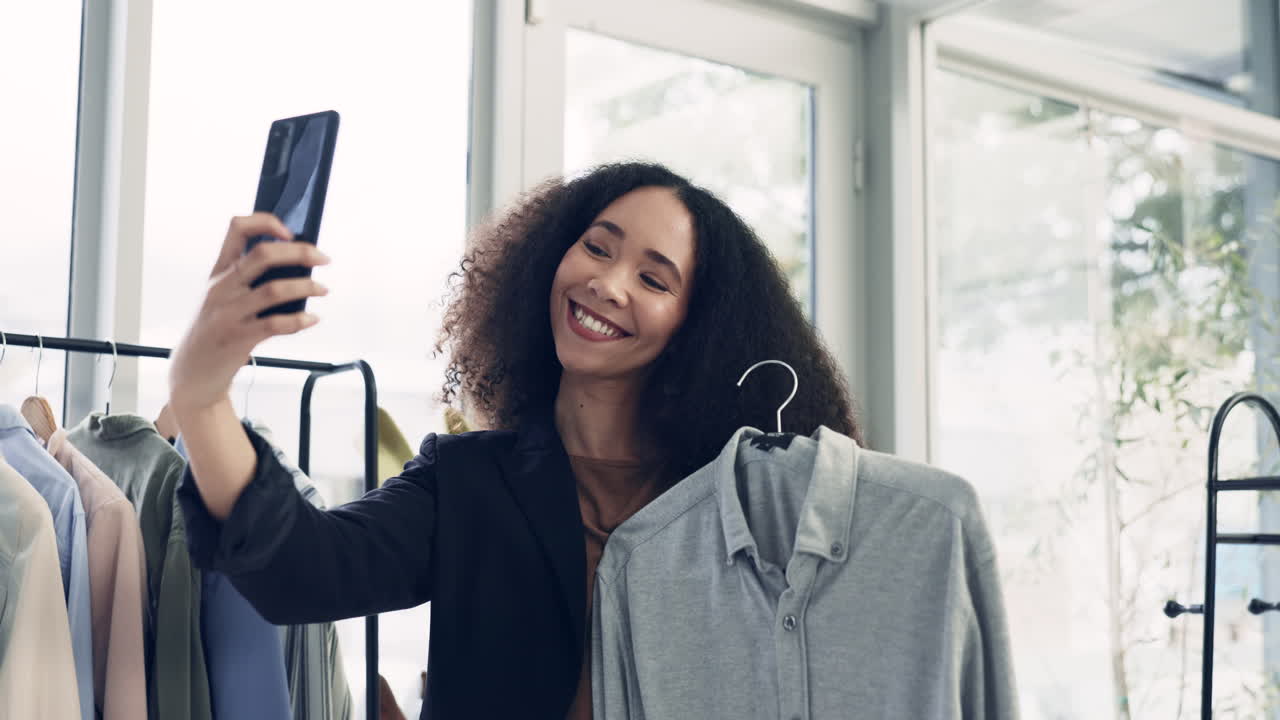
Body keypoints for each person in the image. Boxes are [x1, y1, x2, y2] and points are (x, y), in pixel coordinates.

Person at [168, 161, 861, 719]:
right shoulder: (467, 481)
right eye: (596, 247)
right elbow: (302, 571)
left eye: (653, 278)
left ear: (697, 329)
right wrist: (201, 396)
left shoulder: (736, 499)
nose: (607, 283)